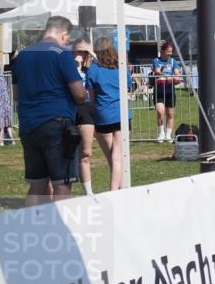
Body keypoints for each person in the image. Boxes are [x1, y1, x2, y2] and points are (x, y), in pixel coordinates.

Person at [10, 16, 88, 204]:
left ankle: (33, 227)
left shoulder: (22, 56)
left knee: (37, 184)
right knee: (62, 183)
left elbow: (16, 94)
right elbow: (79, 94)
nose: (67, 42)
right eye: (67, 39)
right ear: (64, 33)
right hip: (57, 124)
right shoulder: (61, 54)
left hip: (29, 125)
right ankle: (60, 229)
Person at [87, 38, 129, 190]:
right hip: (122, 114)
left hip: (103, 115)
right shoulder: (121, 67)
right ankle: (122, 189)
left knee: (113, 158)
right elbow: (128, 89)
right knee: (117, 157)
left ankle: (115, 191)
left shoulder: (93, 69)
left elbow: (91, 99)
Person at [71, 39, 98, 194]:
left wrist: (92, 54)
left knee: (86, 152)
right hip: (70, 109)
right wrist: (75, 66)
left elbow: (106, 66)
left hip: (86, 110)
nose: (80, 54)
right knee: (67, 152)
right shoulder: (68, 67)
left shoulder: (92, 69)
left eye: (84, 51)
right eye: (78, 50)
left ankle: (88, 192)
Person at [152, 41, 183, 142]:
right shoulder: (156, 60)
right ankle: (161, 133)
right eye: (168, 51)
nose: (170, 53)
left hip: (170, 90)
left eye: (171, 52)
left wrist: (176, 75)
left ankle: (168, 135)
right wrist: (164, 74)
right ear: (162, 51)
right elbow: (157, 71)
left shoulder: (174, 61)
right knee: (160, 112)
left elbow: (177, 72)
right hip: (159, 90)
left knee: (170, 114)